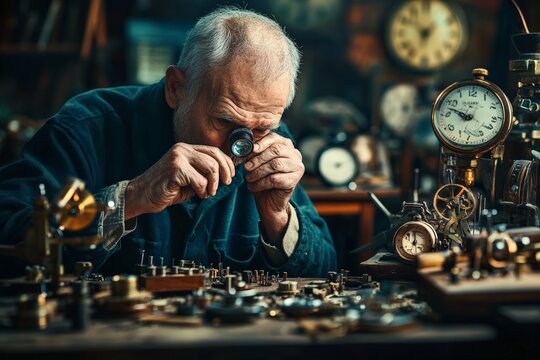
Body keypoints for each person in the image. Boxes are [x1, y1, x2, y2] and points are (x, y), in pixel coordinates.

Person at [0, 7, 336, 277]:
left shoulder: (273, 145)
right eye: (225, 121)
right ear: (176, 88)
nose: (241, 146)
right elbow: (9, 239)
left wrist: (279, 217)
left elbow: (326, 269)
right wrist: (130, 198)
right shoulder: (85, 128)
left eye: (261, 127)